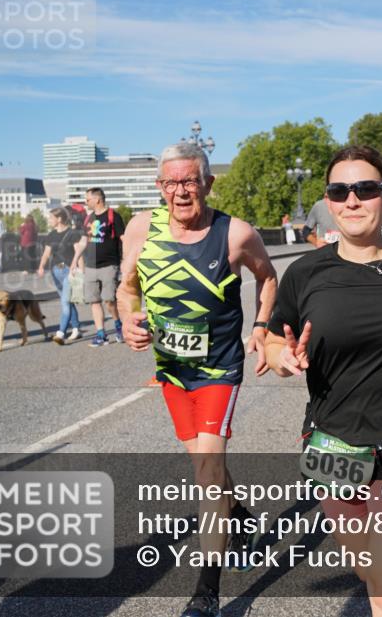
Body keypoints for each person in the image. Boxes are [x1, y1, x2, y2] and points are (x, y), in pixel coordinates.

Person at [264, 144, 382, 617]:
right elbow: (273, 341)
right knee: (366, 567)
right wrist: (282, 357)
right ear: (329, 202)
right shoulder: (305, 273)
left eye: (365, 188)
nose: (352, 200)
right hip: (334, 445)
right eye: (340, 190)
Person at [118, 142, 278, 617]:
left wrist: (262, 326)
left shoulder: (236, 234)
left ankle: (206, 593)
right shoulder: (141, 228)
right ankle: (241, 515)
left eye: (190, 181)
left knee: (207, 474)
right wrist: (126, 319)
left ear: (208, 183)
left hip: (218, 370)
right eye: (172, 183)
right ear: (159, 187)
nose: (181, 192)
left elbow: (267, 278)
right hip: (171, 369)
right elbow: (128, 288)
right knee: (205, 465)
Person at [76, 188, 126, 346]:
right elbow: (84, 242)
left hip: (109, 265)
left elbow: (123, 239)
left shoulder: (113, 216)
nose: (86, 202)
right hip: (90, 266)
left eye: (87, 199)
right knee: (94, 301)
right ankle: (101, 334)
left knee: (109, 300)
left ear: (97, 199)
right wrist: (75, 261)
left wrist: (127, 260)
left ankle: (118, 325)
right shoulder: (88, 218)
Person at [36, 207, 83, 344]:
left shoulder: (72, 233)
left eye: (51, 218)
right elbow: (46, 253)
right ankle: (76, 328)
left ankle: (61, 332)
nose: (49, 220)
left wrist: (81, 270)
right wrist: (41, 267)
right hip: (56, 272)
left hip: (70, 270)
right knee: (68, 301)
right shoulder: (51, 235)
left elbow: (78, 253)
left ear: (59, 219)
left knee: (65, 302)